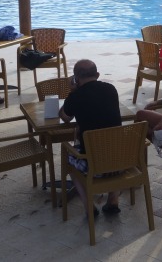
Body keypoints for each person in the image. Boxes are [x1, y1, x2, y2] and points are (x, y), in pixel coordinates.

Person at [59, 59, 123, 217]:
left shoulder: (76, 96)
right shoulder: (111, 89)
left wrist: (72, 91)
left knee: (68, 156)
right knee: (112, 143)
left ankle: (89, 206)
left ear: (76, 78)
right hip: (121, 161)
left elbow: (65, 117)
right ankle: (113, 199)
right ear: (97, 74)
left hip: (93, 166)